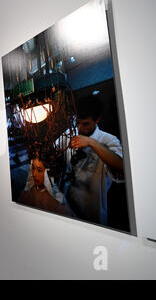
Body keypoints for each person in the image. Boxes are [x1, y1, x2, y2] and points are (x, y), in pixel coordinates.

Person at [64, 95, 124, 225]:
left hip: (92, 207)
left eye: (85, 124)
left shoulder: (109, 140)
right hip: (68, 203)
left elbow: (122, 166)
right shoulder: (70, 132)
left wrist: (92, 142)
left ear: (97, 119)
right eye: (77, 122)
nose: (79, 128)